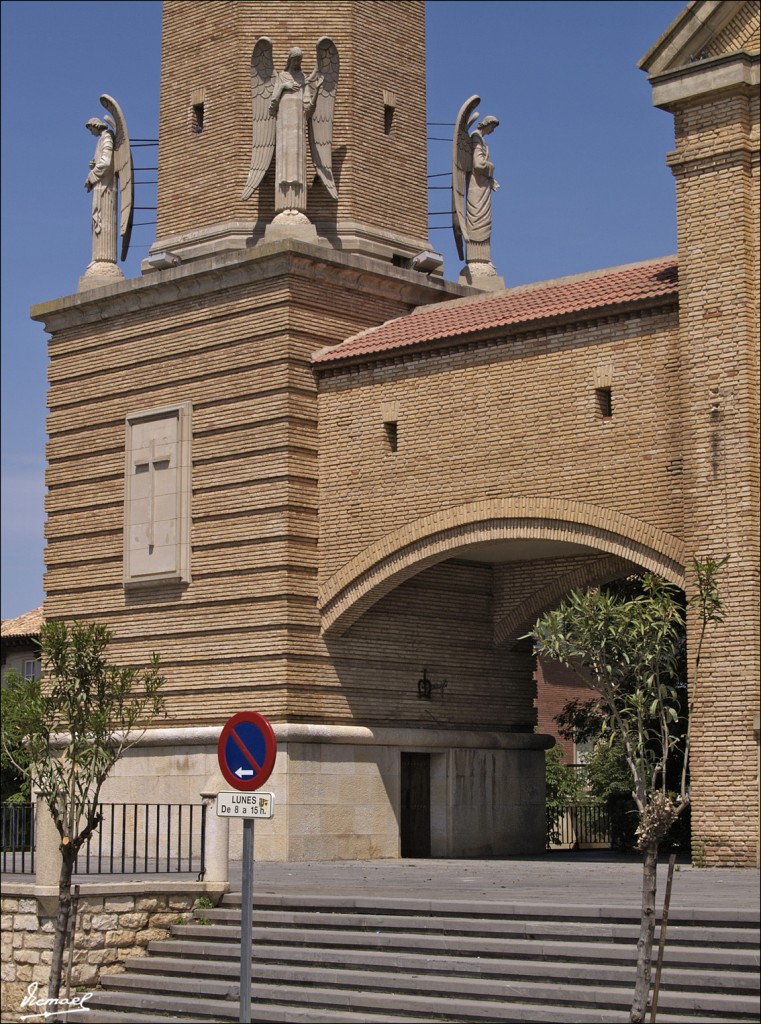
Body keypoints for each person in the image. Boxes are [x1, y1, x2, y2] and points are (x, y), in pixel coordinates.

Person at [464, 115, 500, 265]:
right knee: (477, 220)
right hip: (477, 188)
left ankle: (485, 259)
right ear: (487, 124)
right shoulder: (476, 138)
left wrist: (490, 180)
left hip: (483, 187)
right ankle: (476, 260)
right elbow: (478, 164)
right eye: (492, 127)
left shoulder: (481, 139)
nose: (492, 130)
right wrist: (492, 167)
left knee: (484, 220)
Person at [84, 118, 118, 266]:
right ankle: (97, 259)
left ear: (95, 126)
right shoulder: (101, 140)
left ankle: (103, 260)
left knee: (103, 218)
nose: (91, 132)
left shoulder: (107, 137)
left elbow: (106, 162)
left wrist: (91, 176)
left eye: (90, 129)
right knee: (97, 219)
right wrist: (94, 165)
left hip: (106, 187)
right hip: (99, 185)